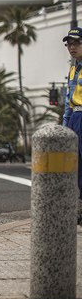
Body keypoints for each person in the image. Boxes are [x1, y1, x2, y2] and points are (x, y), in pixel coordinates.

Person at [61, 27, 82, 223]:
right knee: (76, 166)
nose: (72, 47)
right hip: (75, 118)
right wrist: (64, 127)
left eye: (76, 43)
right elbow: (68, 101)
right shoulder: (73, 70)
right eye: (69, 44)